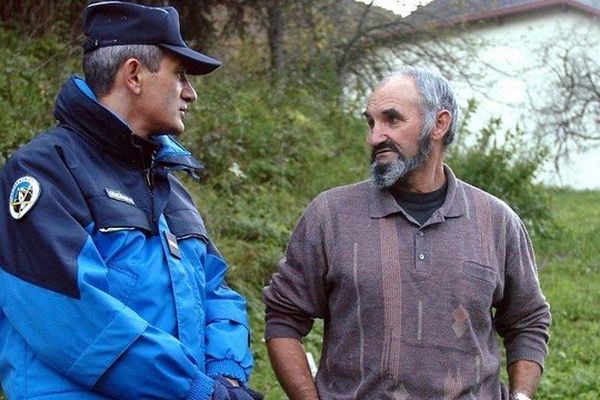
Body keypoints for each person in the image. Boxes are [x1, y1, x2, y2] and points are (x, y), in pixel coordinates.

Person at [0, 2, 262, 399]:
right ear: (135, 75)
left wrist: (225, 374)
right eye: (180, 75)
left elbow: (216, 291)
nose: (190, 94)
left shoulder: (170, 188)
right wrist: (194, 390)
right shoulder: (44, 171)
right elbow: (73, 315)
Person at [263, 67, 551, 400]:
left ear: (439, 124)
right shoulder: (331, 215)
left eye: (392, 120)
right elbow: (284, 317)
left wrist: (521, 396)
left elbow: (528, 320)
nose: (375, 136)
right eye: (371, 123)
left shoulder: (496, 221)